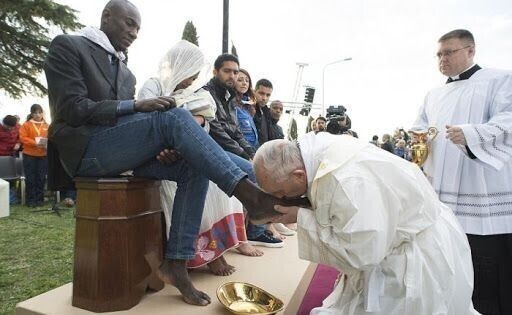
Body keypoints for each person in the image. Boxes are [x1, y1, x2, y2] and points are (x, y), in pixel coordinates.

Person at [43, 0, 306, 306]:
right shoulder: (69, 46)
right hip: (86, 151)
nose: (134, 33)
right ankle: (251, 194)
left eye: (138, 28)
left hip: (118, 151)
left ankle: (177, 263)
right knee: (174, 115)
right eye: (129, 24)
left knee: (191, 165)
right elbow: (71, 110)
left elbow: (127, 129)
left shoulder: (125, 72)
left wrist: (161, 145)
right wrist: (137, 107)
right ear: (106, 16)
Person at [253, 133, 477, 315]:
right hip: (397, 237)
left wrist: (300, 217)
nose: (281, 198)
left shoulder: (346, 180)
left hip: (414, 254)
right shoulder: (316, 151)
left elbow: (362, 254)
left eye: (280, 192)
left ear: (299, 175)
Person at [412, 29, 512, 314]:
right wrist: (415, 138)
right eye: (439, 54)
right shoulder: (434, 94)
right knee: (449, 259)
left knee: (486, 267)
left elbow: (509, 119)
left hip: (482, 188)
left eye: (449, 52)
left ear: (470, 51)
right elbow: (421, 126)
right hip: (443, 190)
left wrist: (472, 134)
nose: (442, 59)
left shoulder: (501, 79)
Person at [138, 40, 257, 274]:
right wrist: (171, 142)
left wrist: (198, 122)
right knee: (202, 179)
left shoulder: (194, 94)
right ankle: (204, 254)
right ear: (178, 65)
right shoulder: (153, 86)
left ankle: (217, 250)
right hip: (160, 157)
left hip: (188, 152)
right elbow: (147, 125)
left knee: (221, 183)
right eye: (190, 72)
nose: (193, 78)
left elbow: (203, 125)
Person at [19, 104, 49, 207]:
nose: (37, 115)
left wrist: (47, 144)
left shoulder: (46, 126)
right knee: (31, 178)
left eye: (40, 112)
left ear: (42, 113)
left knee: (41, 178)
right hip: (29, 155)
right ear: (31, 114)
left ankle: (40, 199)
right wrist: (35, 143)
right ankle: (31, 200)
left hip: (43, 155)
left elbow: (50, 138)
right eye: (35, 113)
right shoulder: (26, 125)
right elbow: (23, 138)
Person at [234, 68, 259, 149]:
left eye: (247, 81)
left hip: (253, 149)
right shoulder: (231, 104)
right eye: (240, 80)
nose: (244, 83)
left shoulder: (247, 105)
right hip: (240, 150)